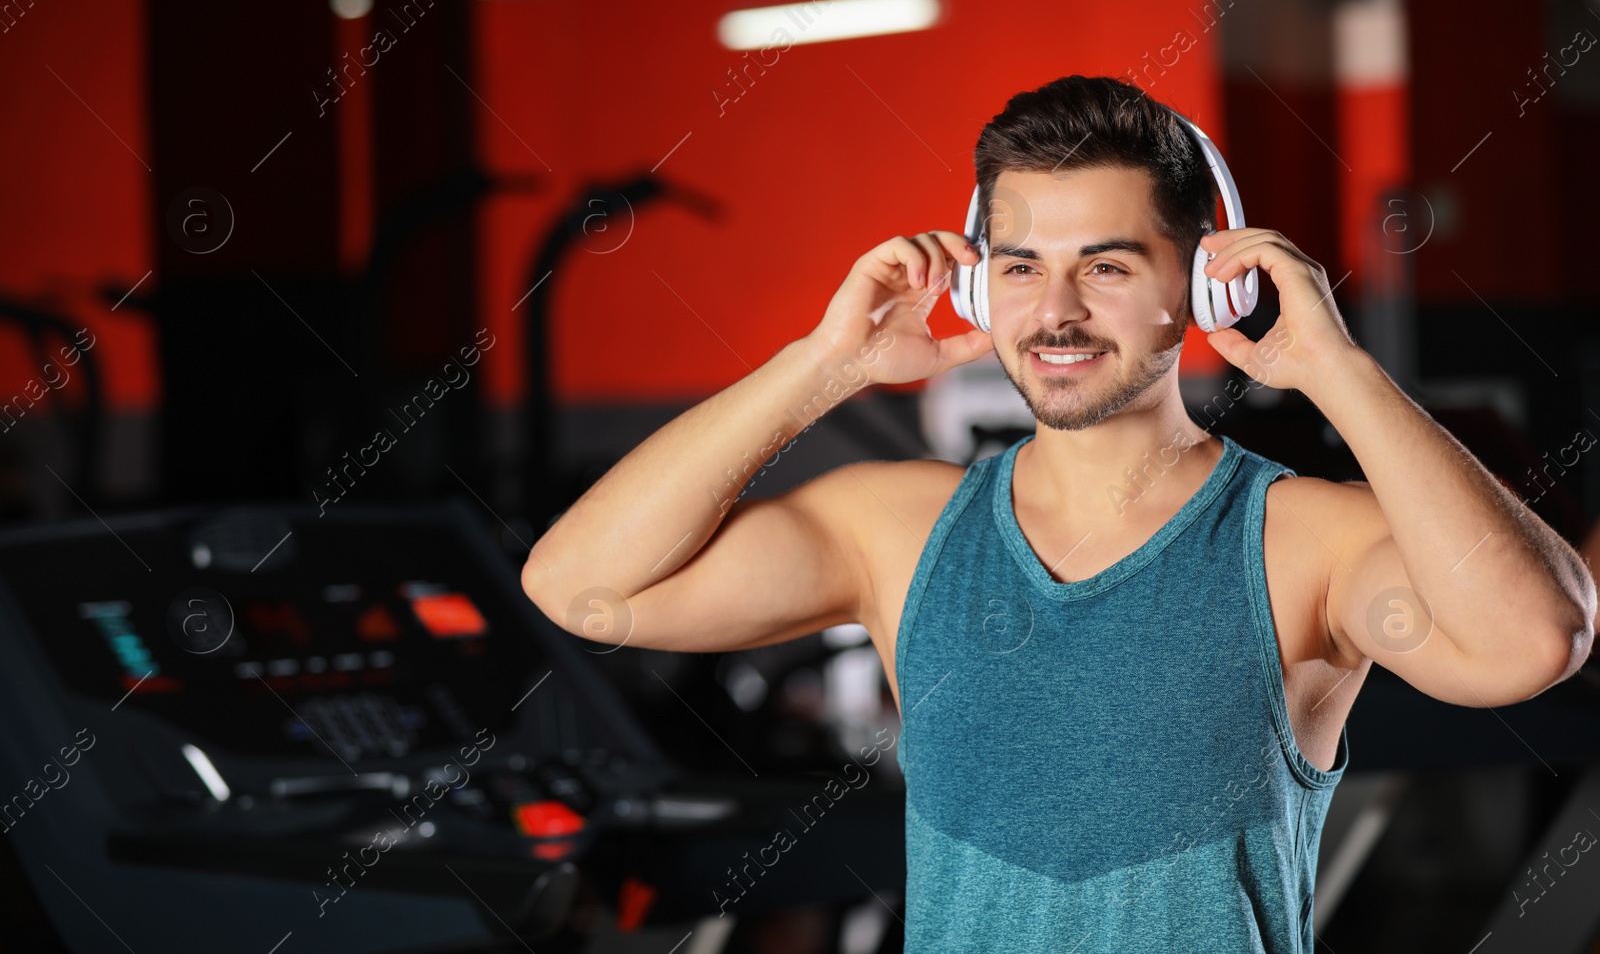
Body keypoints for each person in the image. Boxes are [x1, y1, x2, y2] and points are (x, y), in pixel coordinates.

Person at [520, 75, 1595, 952]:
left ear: (1207, 282)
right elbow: (581, 586)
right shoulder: (896, 529)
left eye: (1108, 265)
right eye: (1022, 266)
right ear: (983, 288)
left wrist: (1335, 367)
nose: (1057, 311)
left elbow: (1533, 641)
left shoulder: (1301, 537)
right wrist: (821, 366)